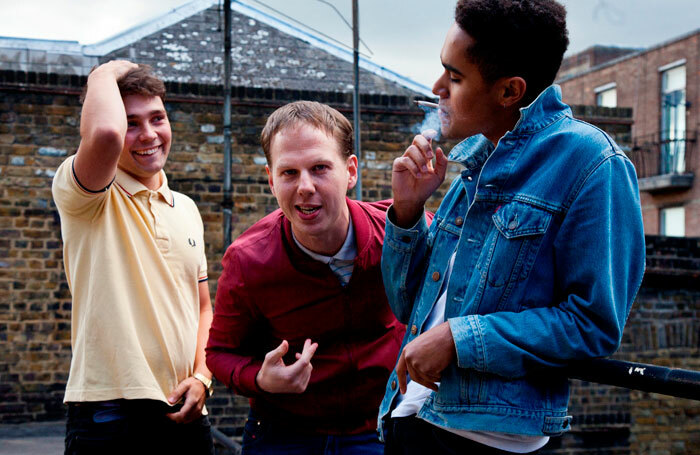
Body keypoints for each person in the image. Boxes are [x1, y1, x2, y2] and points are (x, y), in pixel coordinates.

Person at [377, 1, 646, 454]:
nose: (437, 87)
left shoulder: (593, 164)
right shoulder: (477, 163)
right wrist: (407, 212)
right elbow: (407, 307)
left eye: (455, 77)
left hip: (487, 441)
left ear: (509, 91)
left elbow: (593, 324)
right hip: (408, 417)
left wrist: (460, 338)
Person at [206, 101, 425, 455]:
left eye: (320, 168)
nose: (305, 186)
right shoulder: (248, 259)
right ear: (270, 180)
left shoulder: (400, 231)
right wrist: (261, 379)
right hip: (284, 434)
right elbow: (220, 353)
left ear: (350, 171)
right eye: (289, 173)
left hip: (384, 427)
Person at [52, 60, 214, 454]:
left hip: (185, 412)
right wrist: (103, 74)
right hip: (109, 415)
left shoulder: (186, 208)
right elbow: (105, 134)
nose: (148, 135)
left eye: (157, 118)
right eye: (132, 123)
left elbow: (204, 308)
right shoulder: (86, 195)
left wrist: (203, 377)